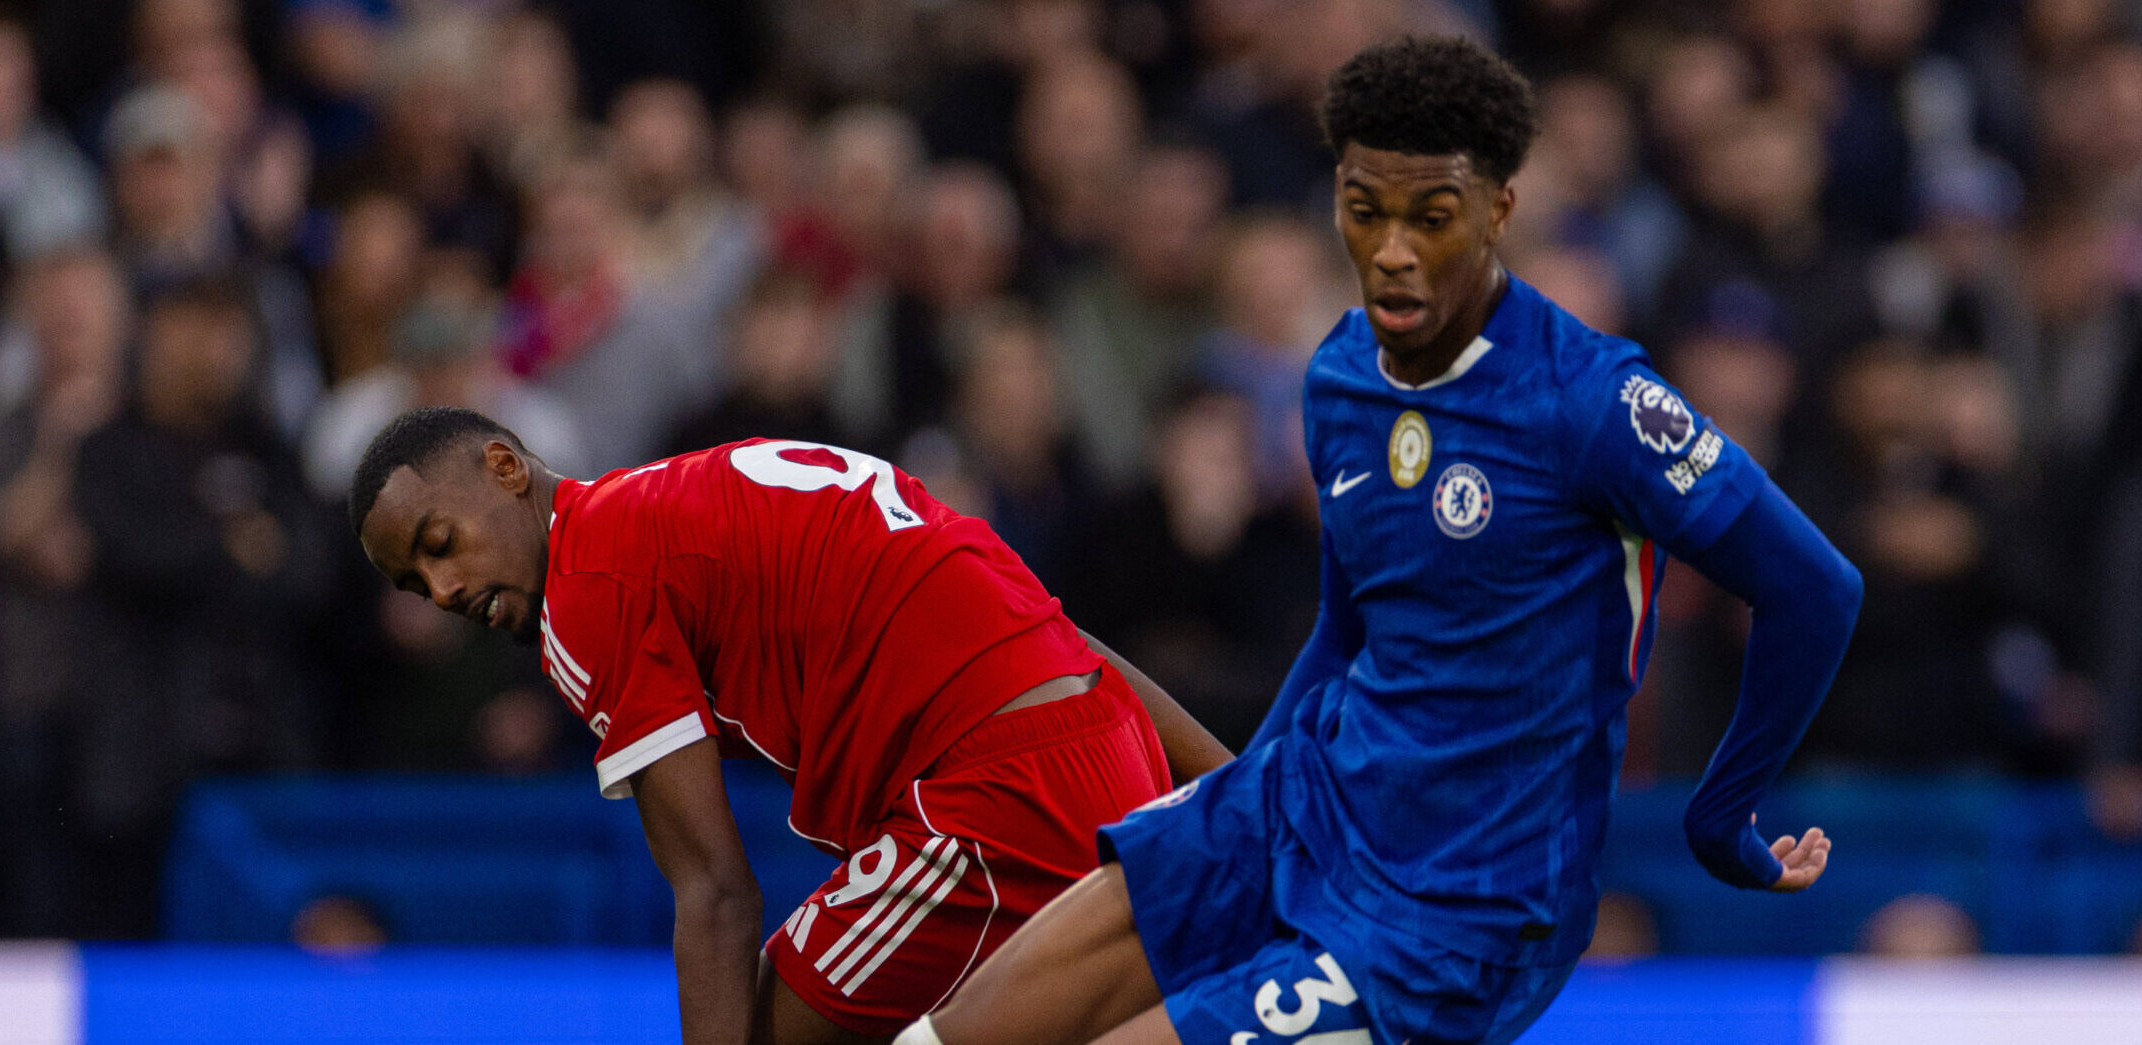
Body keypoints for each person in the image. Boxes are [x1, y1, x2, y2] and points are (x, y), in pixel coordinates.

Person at [912, 37, 1861, 1045]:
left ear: (1497, 210)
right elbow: (1348, 623)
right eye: (1366, 210)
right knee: (952, 1035)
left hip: (1461, 918)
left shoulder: (1593, 402)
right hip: (1300, 813)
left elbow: (1815, 588)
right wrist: (1244, 790)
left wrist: (1721, 812)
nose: (1394, 248)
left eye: (1432, 216)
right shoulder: (1338, 377)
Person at [348, 407, 1229, 1045]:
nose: (444, 589)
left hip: (986, 803)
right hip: (1106, 750)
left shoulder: (590, 582)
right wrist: (1242, 787)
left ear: (505, 468)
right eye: (414, 584)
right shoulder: (682, 496)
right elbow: (1064, 641)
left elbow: (717, 896)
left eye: (438, 542)